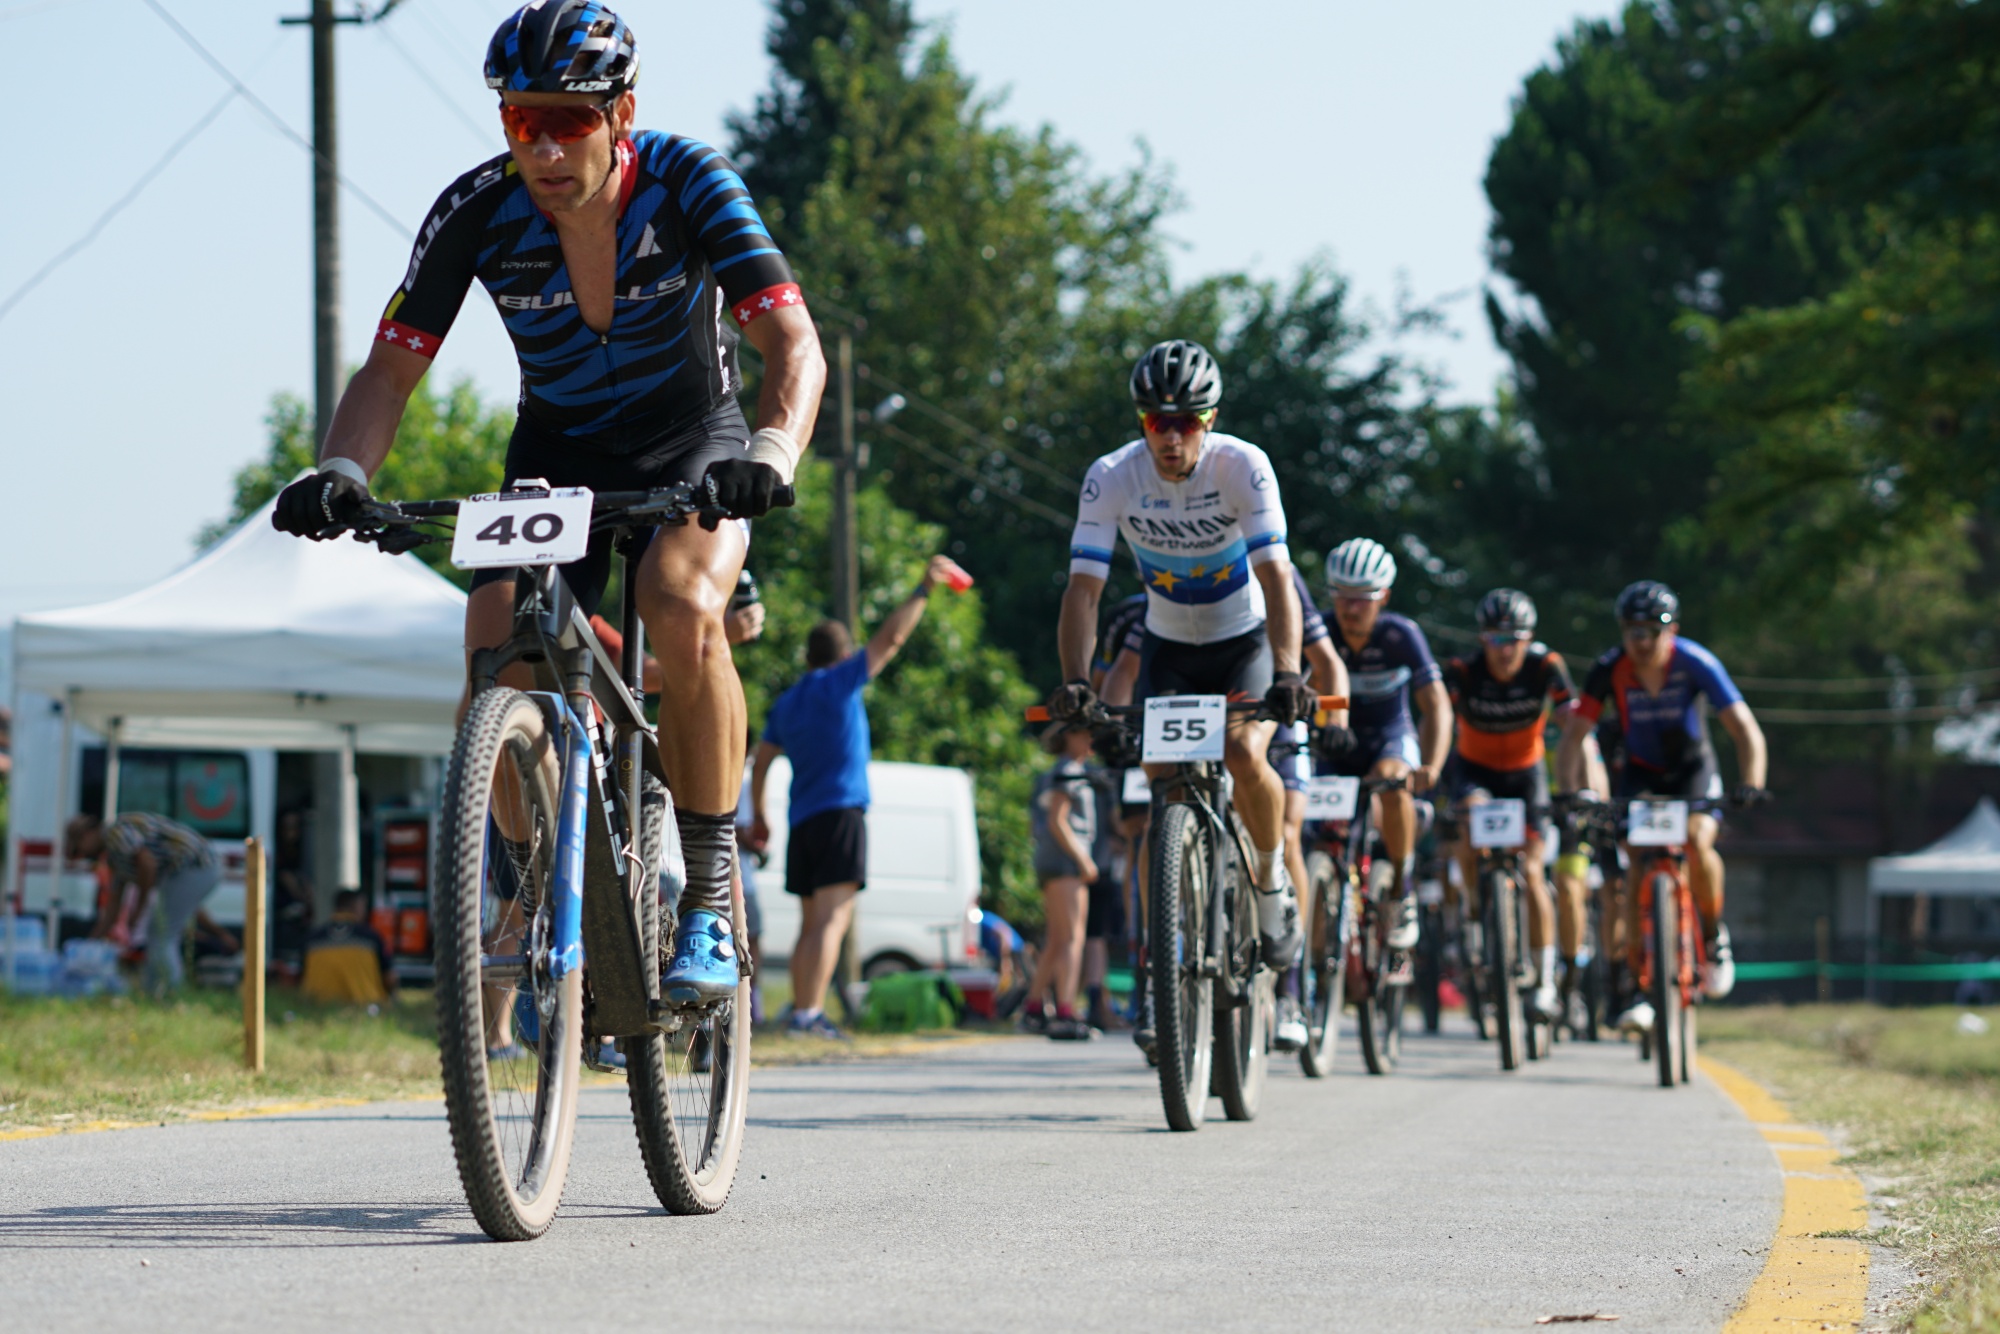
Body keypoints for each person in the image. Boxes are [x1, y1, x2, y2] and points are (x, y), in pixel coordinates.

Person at [269, 1, 826, 1007]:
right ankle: (537, 883)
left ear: (623, 113)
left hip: (695, 442)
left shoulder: (692, 183)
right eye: (524, 121)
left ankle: (704, 897)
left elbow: (794, 344)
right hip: (557, 453)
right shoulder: (477, 210)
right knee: (495, 640)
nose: (547, 147)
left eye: (571, 121)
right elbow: (388, 374)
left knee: (678, 599)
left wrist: (774, 449)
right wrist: (341, 475)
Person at [1050, 340, 1316, 987]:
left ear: (1211, 420)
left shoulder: (1242, 467)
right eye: (1155, 423)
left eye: (1186, 422)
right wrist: (1078, 683)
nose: (1171, 439)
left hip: (1242, 638)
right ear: (1141, 423)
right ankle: (1168, 961)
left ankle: (1268, 871)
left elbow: (1276, 577)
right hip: (1168, 642)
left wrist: (1286, 671)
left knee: (1244, 753)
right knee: (1158, 776)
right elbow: (1083, 589)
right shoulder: (1112, 476)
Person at [751, 554, 971, 1039]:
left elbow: (762, 759)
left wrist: (762, 815)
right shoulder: (841, 683)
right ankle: (808, 1015)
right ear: (844, 653)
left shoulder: (788, 702)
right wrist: (923, 588)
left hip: (803, 820)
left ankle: (800, 1012)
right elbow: (891, 639)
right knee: (833, 921)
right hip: (841, 813)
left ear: (807, 658)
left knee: (812, 924)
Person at [1554, 580, 1769, 1033]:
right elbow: (1575, 738)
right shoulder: (1609, 668)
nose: (1643, 640)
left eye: (1654, 629)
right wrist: (1576, 792)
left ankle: (1712, 939)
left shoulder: (1694, 662)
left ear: (1673, 630)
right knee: (1634, 866)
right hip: (1640, 775)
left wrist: (1751, 783)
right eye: (1633, 630)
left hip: (1692, 770)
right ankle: (1636, 973)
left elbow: (1744, 728)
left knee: (1695, 840)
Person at [1441, 589, 1576, 1019]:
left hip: (1526, 773)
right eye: (1496, 639)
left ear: (1529, 638)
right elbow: (1439, 719)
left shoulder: (1546, 667)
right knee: (1469, 826)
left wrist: (1580, 782)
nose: (1505, 650)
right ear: (1482, 639)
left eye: (1514, 639)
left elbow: (1575, 723)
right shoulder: (1463, 671)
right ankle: (1476, 916)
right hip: (1475, 770)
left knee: (1534, 871)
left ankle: (1545, 977)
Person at [1318, 538, 1453, 951]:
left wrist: (1430, 764)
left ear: (1384, 597)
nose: (1350, 607)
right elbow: (1308, 690)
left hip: (1390, 737)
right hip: (1337, 739)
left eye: (1362, 598)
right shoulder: (1320, 632)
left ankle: (1402, 883)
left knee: (1393, 782)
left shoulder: (1400, 635)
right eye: (1341, 594)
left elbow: (1437, 706)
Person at [1271, 564, 1351, 1052]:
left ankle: (1291, 988)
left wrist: (1335, 716)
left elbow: (1325, 659)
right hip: (1215, 705)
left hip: (1275, 713)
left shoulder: (1278, 570)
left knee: (1287, 831)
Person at [65, 811, 218, 994]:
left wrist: (138, 909)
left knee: (161, 934)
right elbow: (113, 905)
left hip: (196, 864)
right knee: (159, 932)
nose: (83, 855)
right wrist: (91, 943)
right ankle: (157, 990)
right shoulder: (115, 858)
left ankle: (168, 992)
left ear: (87, 835)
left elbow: (147, 864)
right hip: (189, 869)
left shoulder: (116, 835)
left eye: (80, 849)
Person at [1022, 722, 1104, 1040]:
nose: (1091, 740)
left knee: (1057, 938)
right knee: (1073, 937)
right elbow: (1058, 819)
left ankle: (1032, 1008)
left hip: (1050, 859)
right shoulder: (1069, 771)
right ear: (1069, 735)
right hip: (1066, 860)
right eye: (1085, 733)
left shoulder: (1056, 770)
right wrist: (1083, 858)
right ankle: (1066, 1010)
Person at [301, 890, 396, 1005]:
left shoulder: (312, 938)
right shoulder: (371, 937)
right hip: (365, 1005)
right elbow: (390, 978)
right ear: (356, 907)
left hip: (317, 1004)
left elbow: (301, 976)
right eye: (363, 906)